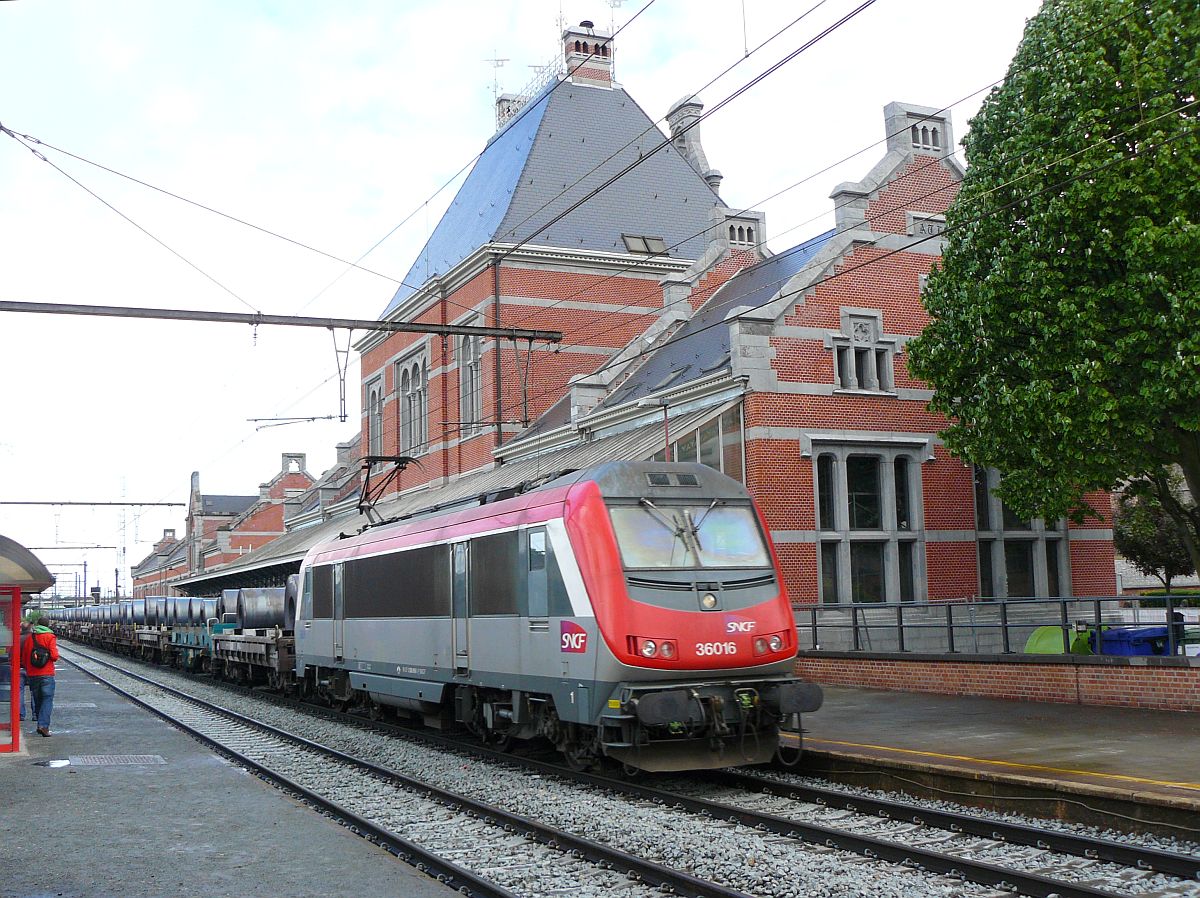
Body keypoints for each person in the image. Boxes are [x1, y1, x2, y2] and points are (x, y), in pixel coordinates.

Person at [21, 616, 58, 736]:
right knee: (47, 700)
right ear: (47, 625)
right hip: (47, 674)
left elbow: (25, 656)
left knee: (37, 699)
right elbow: (54, 656)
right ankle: (43, 726)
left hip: (33, 674)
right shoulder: (50, 636)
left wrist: (29, 669)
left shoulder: (30, 638)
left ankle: (40, 724)